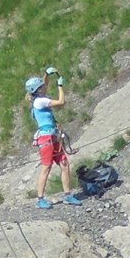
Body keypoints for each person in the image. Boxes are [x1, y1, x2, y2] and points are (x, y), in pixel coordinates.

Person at [26, 70, 81, 209]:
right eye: (42, 86)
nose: (45, 87)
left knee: (64, 164)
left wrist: (46, 74)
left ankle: (67, 195)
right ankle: (40, 198)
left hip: (51, 137)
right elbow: (61, 102)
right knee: (46, 168)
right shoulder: (41, 101)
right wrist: (60, 86)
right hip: (47, 139)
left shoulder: (37, 100)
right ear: (38, 90)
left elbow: (43, 84)